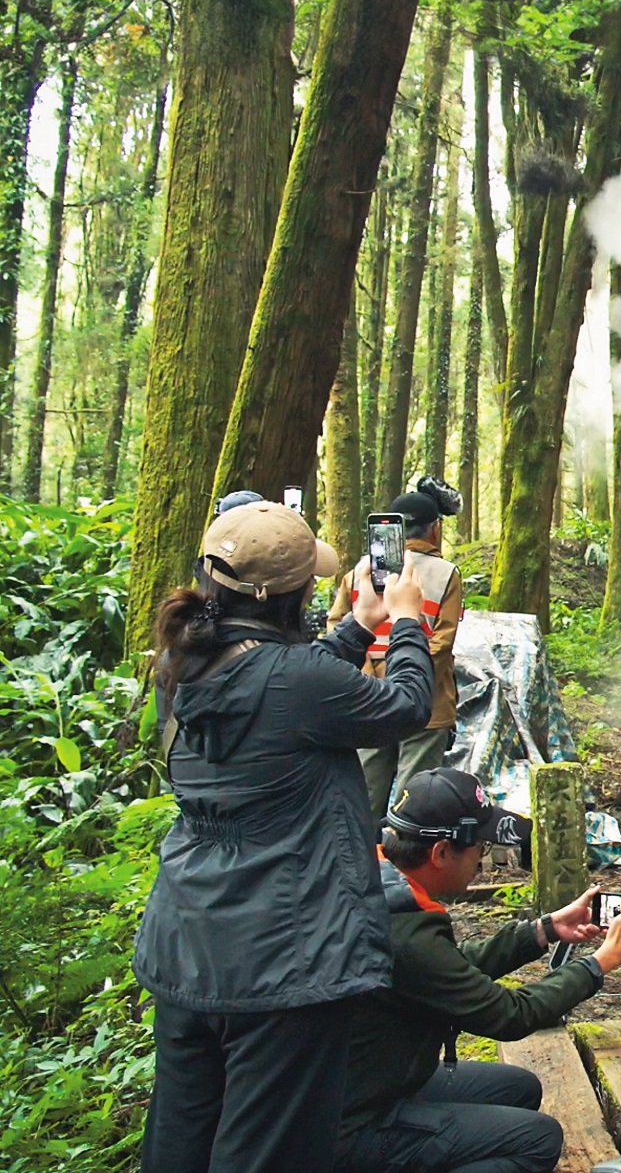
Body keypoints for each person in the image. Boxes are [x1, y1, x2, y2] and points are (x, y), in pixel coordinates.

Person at [135, 501, 436, 1173]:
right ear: (292, 593)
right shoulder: (297, 680)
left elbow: (277, 690)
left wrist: (357, 628)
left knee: (180, 1139)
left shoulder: (181, 659)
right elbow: (407, 707)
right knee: (269, 1151)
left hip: (189, 944)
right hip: (281, 961)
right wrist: (409, 618)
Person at [336, 768, 621, 1173]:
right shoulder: (402, 930)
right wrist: (601, 962)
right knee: (537, 1140)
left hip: (369, 1081)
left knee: (519, 1088)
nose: (483, 857)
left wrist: (544, 930)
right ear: (441, 852)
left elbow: (449, 968)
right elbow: (510, 1015)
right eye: (479, 845)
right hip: (350, 1125)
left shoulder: (378, 882)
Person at [329, 476, 466, 819]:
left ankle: (362, 864)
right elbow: (442, 641)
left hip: (366, 698)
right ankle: (405, 866)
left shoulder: (359, 571)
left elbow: (338, 627)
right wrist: (406, 678)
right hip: (426, 701)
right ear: (434, 529)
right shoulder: (446, 574)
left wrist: (369, 677)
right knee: (414, 800)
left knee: (363, 796)